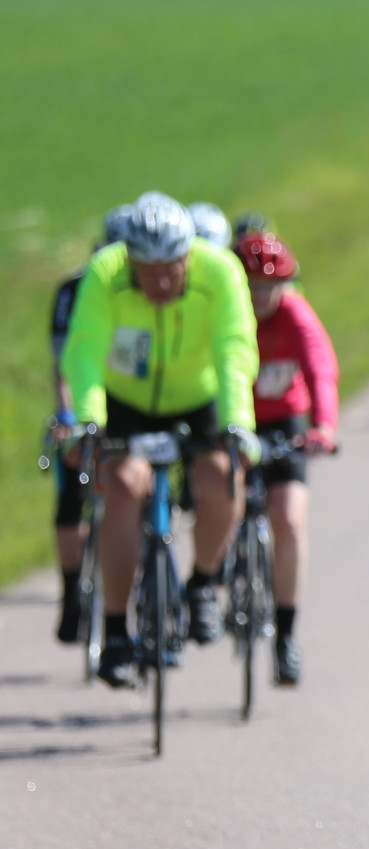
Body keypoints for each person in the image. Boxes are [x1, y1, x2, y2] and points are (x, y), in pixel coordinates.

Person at [60, 192, 258, 687]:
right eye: (147, 272)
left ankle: (202, 584)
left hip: (199, 396)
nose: (161, 283)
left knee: (223, 477)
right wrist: (89, 421)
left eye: (171, 269)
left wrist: (239, 423)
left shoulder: (220, 271)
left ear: (189, 254)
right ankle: (116, 629)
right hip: (126, 400)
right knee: (124, 486)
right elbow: (85, 350)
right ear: (129, 260)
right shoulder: (106, 273)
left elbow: (234, 350)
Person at [237, 231, 339, 686]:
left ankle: (286, 635)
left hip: (284, 422)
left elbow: (320, 367)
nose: (262, 297)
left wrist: (324, 426)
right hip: (236, 421)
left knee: (289, 519)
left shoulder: (295, 313)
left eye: (271, 287)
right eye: (253, 287)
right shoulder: (227, 313)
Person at [45, 204, 133, 642]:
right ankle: (71, 594)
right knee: (70, 491)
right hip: (83, 397)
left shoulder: (146, 287)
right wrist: (68, 417)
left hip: (130, 399)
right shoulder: (74, 288)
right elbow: (65, 363)